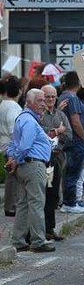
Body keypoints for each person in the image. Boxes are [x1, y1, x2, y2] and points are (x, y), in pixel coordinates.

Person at [6, 89, 55, 253]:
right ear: (29, 102)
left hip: (26, 165)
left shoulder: (24, 118)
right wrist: (17, 158)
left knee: (24, 204)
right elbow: (25, 145)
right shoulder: (28, 120)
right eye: (40, 100)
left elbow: (14, 143)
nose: (44, 104)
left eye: (44, 100)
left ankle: (19, 240)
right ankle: (38, 240)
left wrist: (13, 158)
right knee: (36, 203)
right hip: (33, 165)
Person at [39, 85, 72, 243]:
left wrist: (58, 132)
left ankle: (50, 228)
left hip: (57, 157)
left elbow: (69, 135)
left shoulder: (60, 114)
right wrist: (57, 131)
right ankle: (42, 228)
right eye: (47, 97)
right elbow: (41, 132)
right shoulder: (39, 115)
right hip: (44, 158)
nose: (50, 100)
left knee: (53, 193)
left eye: (53, 96)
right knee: (45, 191)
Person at [58, 71, 84, 214]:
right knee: (73, 173)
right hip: (76, 142)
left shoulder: (63, 96)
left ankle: (70, 201)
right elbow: (76, 122)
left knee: (70, 173)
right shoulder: (73, 98)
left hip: (69, 141)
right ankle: (70, 203)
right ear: (79, 83)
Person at [2, 77, 24, 217]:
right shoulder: (12, 107)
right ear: (19, 91)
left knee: (11, 177)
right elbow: (13, 130)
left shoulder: (4, 104)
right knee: (14, 177)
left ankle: (10, 205)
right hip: (11, 146)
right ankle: (12, 206)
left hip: (6, 144)